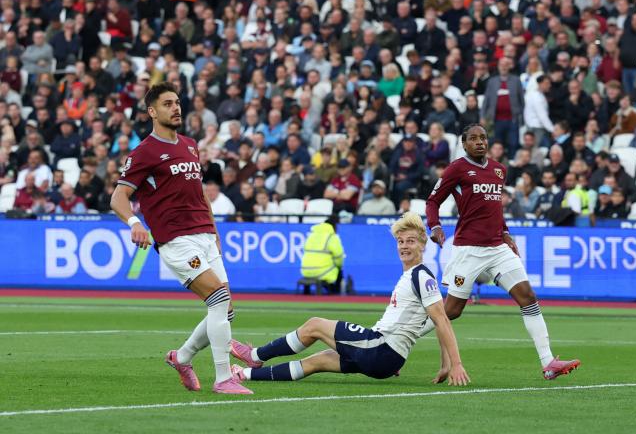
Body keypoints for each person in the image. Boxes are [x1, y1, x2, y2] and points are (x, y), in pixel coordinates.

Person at [110, 81, 251, 395]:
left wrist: (214, 230)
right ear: (152, 111)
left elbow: (199, 191)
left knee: (225, 309)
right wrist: (135, 222)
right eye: (167, 104)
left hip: (204, 233)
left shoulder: (189, 144)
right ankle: (224, 378)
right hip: (175, 239)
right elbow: (118, 197)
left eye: (177, 102)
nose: (175, 108)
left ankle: (182, 357)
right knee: (218, 299)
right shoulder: (144, 152)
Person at [228, 213, 469, 386]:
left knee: (314, 325)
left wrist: (456, 364)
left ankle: (256, 355)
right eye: (400, 241)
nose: (404, 246)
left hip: (381, 349)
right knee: (317, 361)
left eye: (411, 241)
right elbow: (437, 321)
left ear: (423, 245)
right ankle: (246, 375)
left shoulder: (420, 275)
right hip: (385, 356)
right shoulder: (413, 276)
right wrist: (446, 364)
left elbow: (442, 320)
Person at [425, 123, 580, 380]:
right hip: (469, 249)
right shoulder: (457, 169)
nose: (479, 142)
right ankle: (397, 341)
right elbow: (433, 201)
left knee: (528, 296)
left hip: (497, 247)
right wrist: (435, 225)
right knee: (451, 311)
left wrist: (506, 233)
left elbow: (494, 208)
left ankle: (548, 362)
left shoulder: (499, 170)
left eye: (483, 138)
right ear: (464, 144)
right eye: (473, 139)